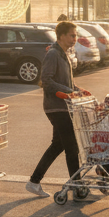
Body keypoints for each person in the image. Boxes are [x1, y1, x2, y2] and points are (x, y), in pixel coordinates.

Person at [26, 21, 84, 198]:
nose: (75, 38)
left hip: (63, 106)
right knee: (72, 148)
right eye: (72, 35)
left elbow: (65, 81)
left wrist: (78, 89)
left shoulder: (62, 53)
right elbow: (47, 80)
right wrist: (69, 91)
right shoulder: (53, 54)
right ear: (62, 36)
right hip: (56, 107)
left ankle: (34, 182)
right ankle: (77, 186)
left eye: (76, 35)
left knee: (58, 145)